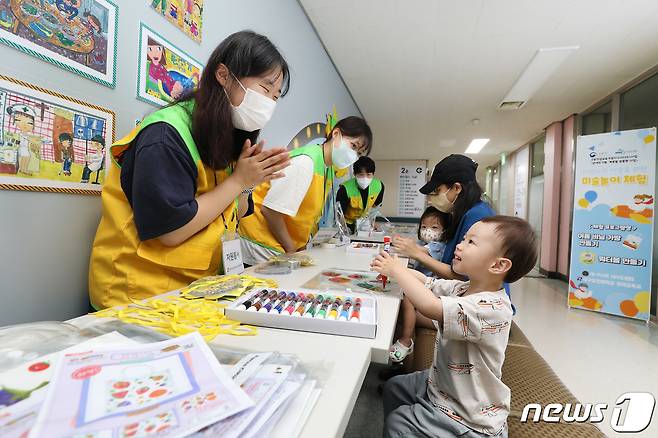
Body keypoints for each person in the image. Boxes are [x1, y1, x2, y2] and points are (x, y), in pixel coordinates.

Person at [88, 30, 291, 309]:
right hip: (137, 295)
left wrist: (248, 181)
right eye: (265, 89)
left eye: (276, 96)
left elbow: (238, 211)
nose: (269, 103)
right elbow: (171, 231)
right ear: (223, 75)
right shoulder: (165, 134)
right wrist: (238, 181)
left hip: (195, 288)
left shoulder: (227, 135)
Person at [372, 216, 538, 438]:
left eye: (471, 242)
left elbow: (429, 305)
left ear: (498, 265)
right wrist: (393, 267)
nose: (460, 244)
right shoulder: (465, 287)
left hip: (467, 414)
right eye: (464, 238)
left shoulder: (490, 307)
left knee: (398, 424)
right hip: (444, 381)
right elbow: (427, 283)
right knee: (395, 388)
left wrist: (398, 272)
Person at [239, 116, 373, 265]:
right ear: (336, 134)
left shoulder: (325, 167)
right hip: (260, 244)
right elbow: (270, 211)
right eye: (353, 146)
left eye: (359, 153)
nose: (354, 156)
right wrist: (292, 250)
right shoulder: (305, 162)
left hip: (280, 246)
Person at [392, 154, 512, 303]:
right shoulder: (464, 213)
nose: (432, 198)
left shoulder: (478, 217)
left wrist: (417, 254)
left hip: (477, 305)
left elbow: (464, 276)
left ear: (456, 188)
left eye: (437, 191)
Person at [388, 206, 449, 363]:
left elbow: (420, 251)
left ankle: (406, 340)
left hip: (431, 291)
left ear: (445, 230)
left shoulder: (438, 245)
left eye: (434, 227)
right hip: (426, 287)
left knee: (407, 297)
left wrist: (403, 245)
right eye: (424, 227)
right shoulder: (423, 243)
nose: (428, 230)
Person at [335, 156, 384, 233]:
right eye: (361, 175)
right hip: (348, 223)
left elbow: (376, 207)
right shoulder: (344, 189)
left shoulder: (379, 186)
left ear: (373, 174)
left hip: (365, 223)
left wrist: (372, 222)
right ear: (354, 174)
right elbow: (339, 214)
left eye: (368, 174)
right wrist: (343, 228)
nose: (365, 178)